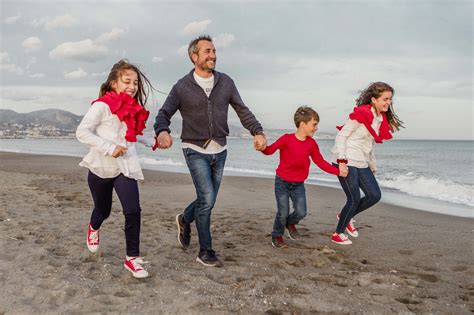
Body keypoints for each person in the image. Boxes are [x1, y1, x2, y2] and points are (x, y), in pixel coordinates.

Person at [154, 35, 267, 267]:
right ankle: (205, 251)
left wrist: (257, 131)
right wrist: (162, 131)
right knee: (206, 199)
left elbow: (242, 110)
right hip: (194, 148)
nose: (213, 55)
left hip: (221, 149)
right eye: (207, 51)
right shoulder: (182, 86)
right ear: (194, 56)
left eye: (214, 51)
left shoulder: (225, 82)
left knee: (209, 199)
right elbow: (163, 114)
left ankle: (185, 219)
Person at [76, 59, 157, 278]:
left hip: (125, 167)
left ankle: (132, 259)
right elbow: (82, 132)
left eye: (136, 83)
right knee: (103, 211)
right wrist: (110, 148)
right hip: (101, 167)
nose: (132, 87)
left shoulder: (133, 108)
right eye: (127, 81)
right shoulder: (102, 106)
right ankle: (93, 228)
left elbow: (133, 134)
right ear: (114, 83)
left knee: (133, 210)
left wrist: (154, 141)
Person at [261, 106, 348, 248]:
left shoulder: (311, 144)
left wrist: (338, 171)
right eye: (314, 124)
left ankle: (290, 223)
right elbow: (269, 150)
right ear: (303, 124)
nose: (316, 128)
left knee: (301, 212)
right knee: (282, 212)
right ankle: (277, 235)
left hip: (298, 184)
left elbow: (320, 162)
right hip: (282, 182)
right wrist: (262, 147)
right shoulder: (286, 139)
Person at [329, 82, 403, 245]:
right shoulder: (362, 114)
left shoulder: (379, 118)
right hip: (345, 158)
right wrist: (342, 162)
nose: (388, 102)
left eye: (390, 99)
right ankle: (338, 233)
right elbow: (341, 137)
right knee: (354, 198)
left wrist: (373, 166)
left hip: (361, 160)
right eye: (385, 99)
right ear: (374, 99)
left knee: (374, 195)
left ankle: (345, 215)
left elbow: (369, 145)